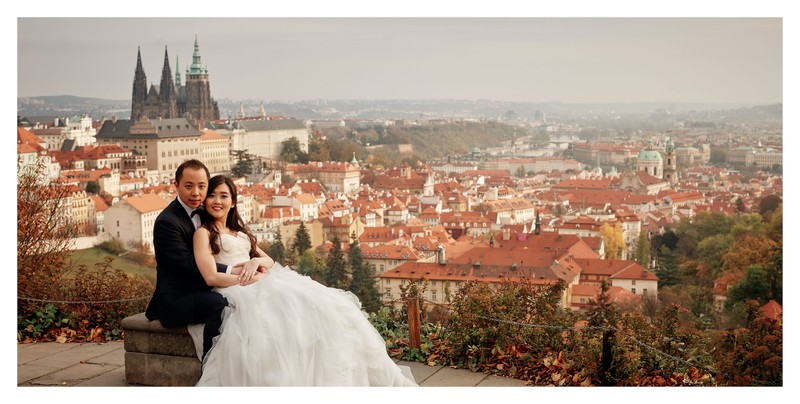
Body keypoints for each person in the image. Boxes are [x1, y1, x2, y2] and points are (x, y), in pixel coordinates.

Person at [191, 175, 417, 386]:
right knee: (287, 311)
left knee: (322, 303)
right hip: (236, 288)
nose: (216, 201)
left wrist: (254, 263)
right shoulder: (203, 233)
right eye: (212, 195)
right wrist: (244, 279)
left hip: (257, 280)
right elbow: (210, 276)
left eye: (223, 196)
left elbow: (267, 259)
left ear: (233, 202)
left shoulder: (238, 231)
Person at [144, 160, 261, 359]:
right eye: (188, 186)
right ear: (176, 186)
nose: (196, 193)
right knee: (220, 304)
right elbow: (188, 264)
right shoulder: (167, 222)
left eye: (202, 186)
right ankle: (211, 364)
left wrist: (254, 263)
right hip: (179, 297)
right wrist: (232, 270)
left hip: (206, 285)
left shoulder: (207, 212)